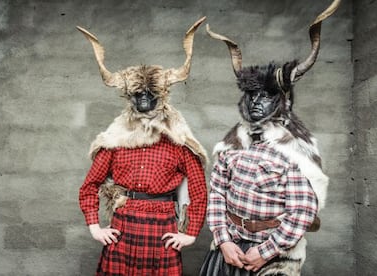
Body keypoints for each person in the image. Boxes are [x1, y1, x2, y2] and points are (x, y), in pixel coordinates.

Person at [200, 1, 340, 274]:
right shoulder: (233, 142)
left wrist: (265, 252)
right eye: (251, 95)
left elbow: (301, 211)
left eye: (265, 96)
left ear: (281, 100)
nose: (256, 102)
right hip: (229, 248)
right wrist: (223, 240)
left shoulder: (294, 148)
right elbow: (217, 192)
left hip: (272, 253)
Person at [77, 17, 208, 275]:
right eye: (138, 93)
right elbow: (90, 185)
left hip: (163, 229)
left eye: (152, 93)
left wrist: (191, 233)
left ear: (162, 96)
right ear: (129, 96)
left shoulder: (178, 140)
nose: (145, 98)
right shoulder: (115, 139)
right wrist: (95, 227)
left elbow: (198, 188)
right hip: (123, 226)